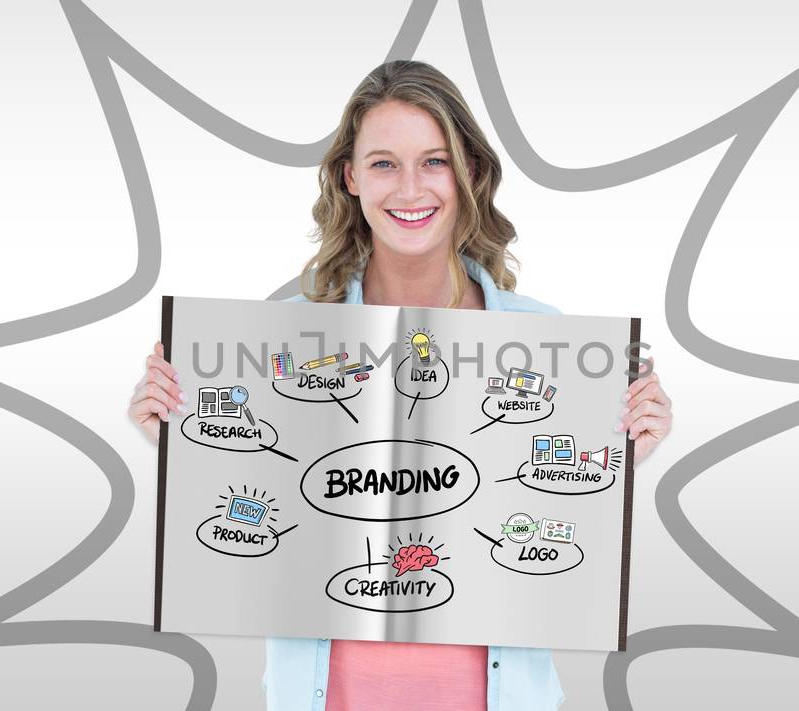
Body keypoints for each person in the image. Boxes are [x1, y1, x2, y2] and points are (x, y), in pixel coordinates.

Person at [130, 60, 673, 711]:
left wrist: (621, 454)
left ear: (471, 172)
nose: (410, 187)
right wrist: (179, 437)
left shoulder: (547, 340)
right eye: (384, 163)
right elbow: (257, 518)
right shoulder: (286, 341)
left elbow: (552, 528)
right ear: (350, 177)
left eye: (434, 161)